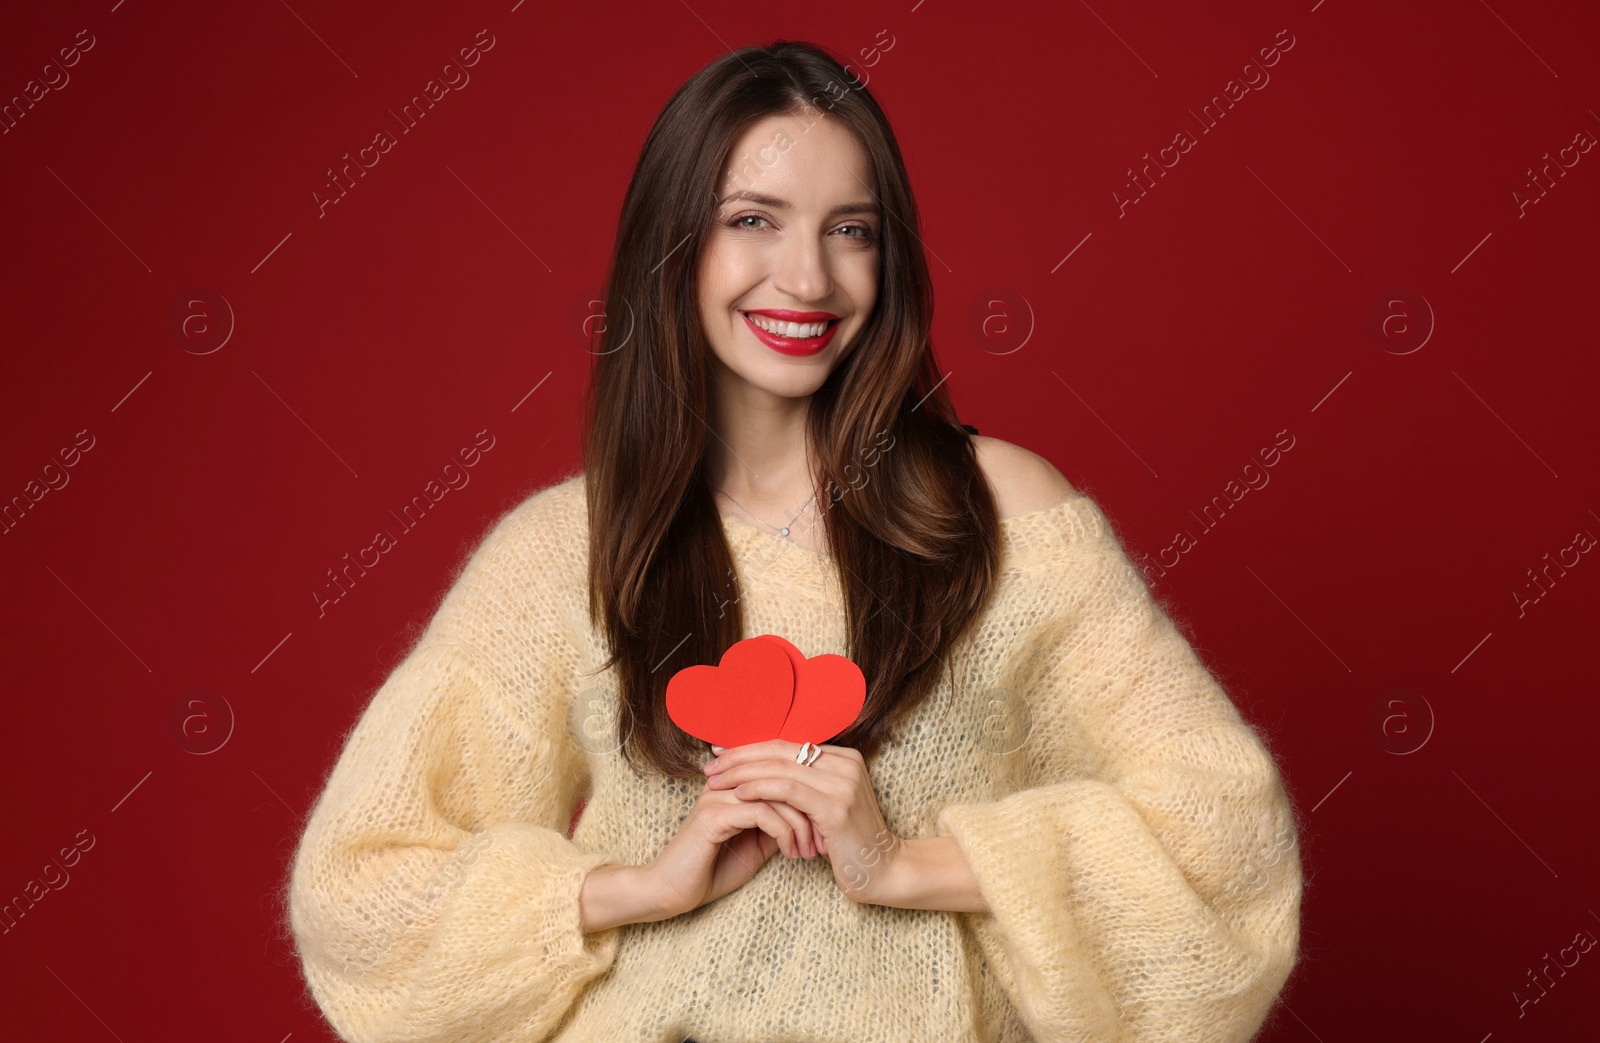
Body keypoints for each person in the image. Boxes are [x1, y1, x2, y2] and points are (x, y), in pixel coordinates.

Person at [283, 39, 1303, 1043]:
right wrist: (636, 886)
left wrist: (902, 861)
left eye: (849, 228)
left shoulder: (999, 513)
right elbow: (363, 886)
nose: (807, 278)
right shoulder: (564, 550)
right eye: (754, 220)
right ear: (672, 244)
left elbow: (1222, 839)